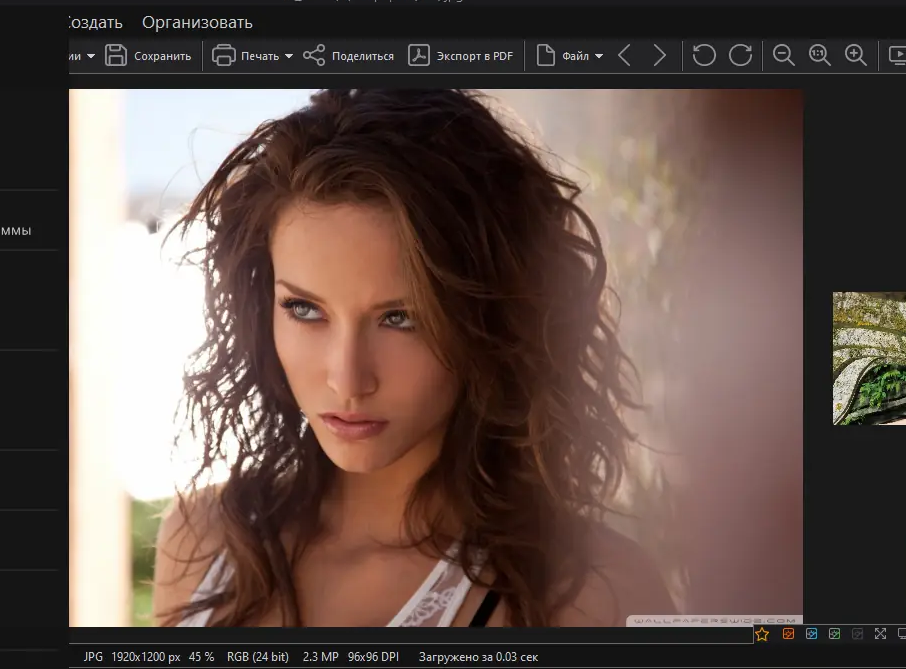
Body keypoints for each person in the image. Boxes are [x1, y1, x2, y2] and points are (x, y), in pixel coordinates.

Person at [151, 89, 673, 628]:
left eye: (401, 318)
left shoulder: (593, 594)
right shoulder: (204, 544)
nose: (347, 379)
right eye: (304, 309)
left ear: (489, 317)